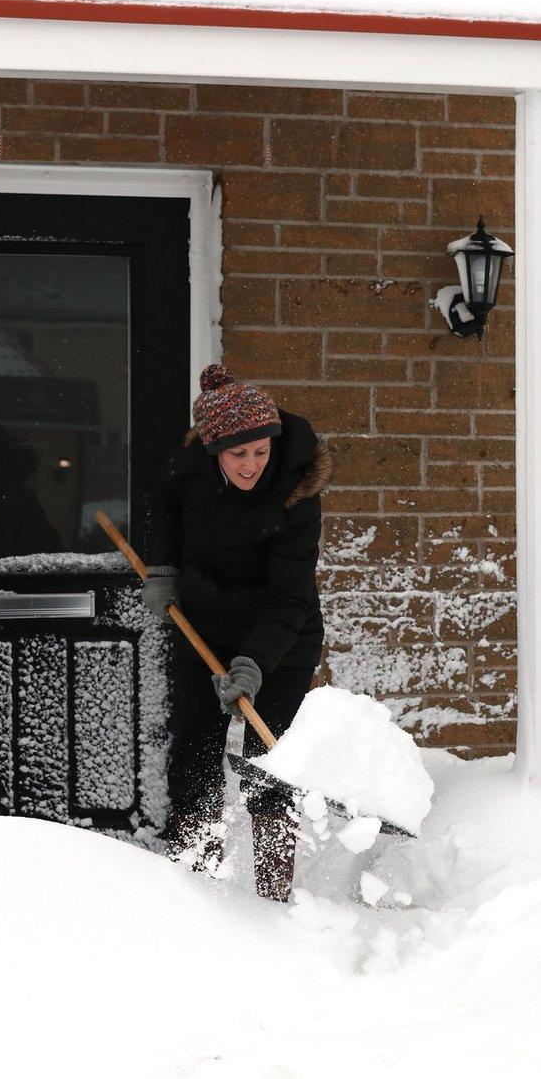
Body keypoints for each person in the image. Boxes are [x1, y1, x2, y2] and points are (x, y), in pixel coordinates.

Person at [143, 363, 332, 901]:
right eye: (237, 454)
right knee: (194, 756)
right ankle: (192, 882)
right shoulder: (191, 468)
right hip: (202, 627)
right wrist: (163, 570)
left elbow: (290, 597)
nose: (251, 465)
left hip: (279, 640)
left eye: (260, 451)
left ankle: (273, 897)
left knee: (266, 765)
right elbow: (165, 509)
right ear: (214, 452)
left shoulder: (296, 494)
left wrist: (253, 664)